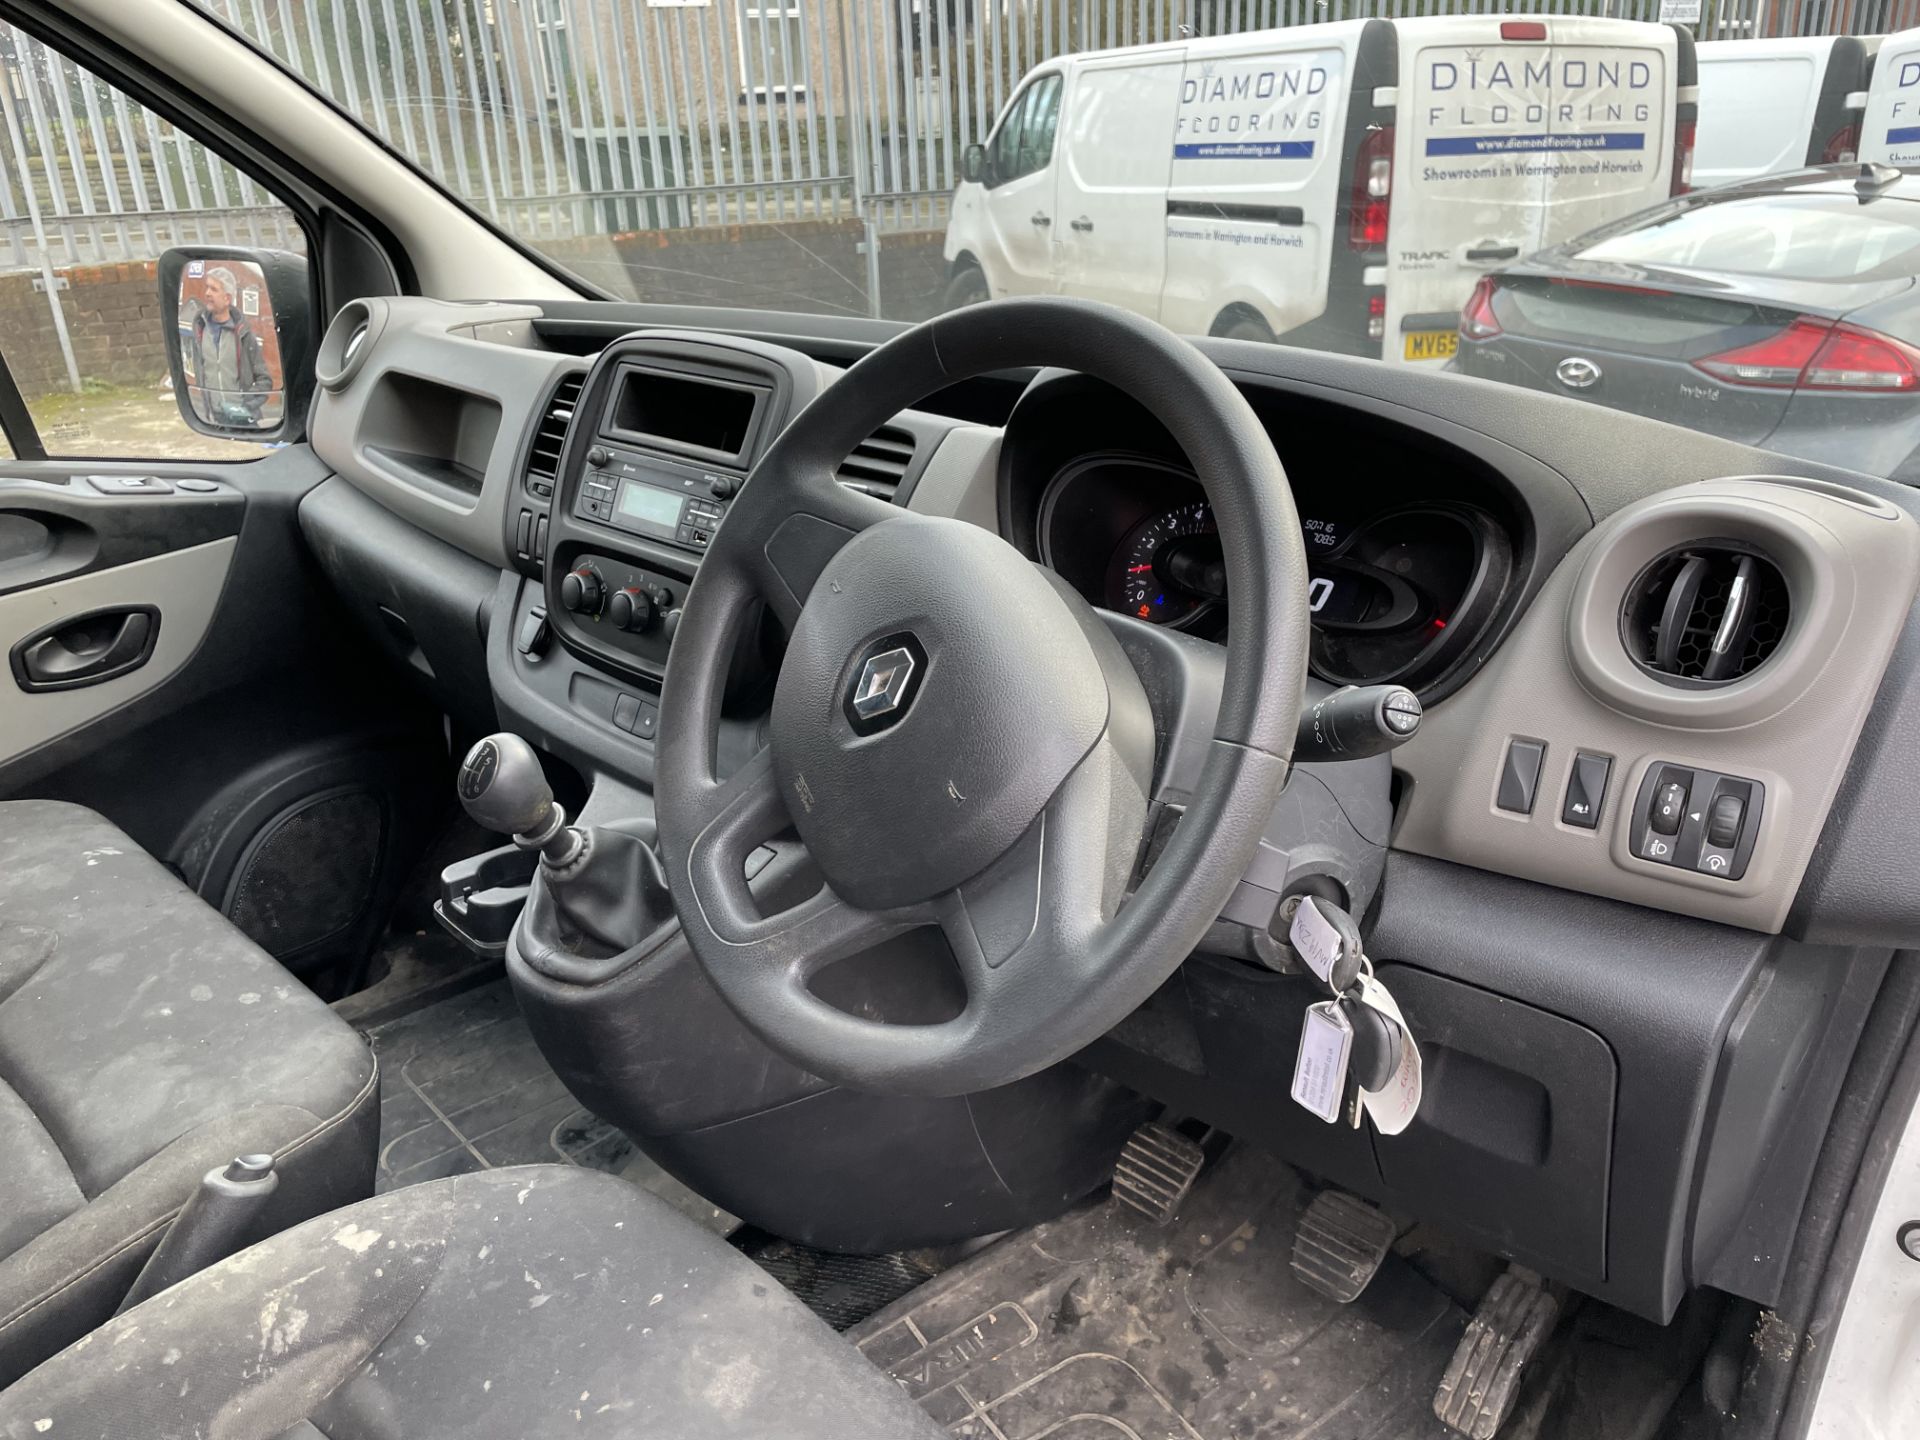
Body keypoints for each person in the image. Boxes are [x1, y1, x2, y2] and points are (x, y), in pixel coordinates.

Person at [188, 266, 273, 425]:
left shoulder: (243, 335)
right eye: (207, 287)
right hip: (213, 421)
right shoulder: (200, 331)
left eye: (213, 289)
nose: (207, 293)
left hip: (244, 422)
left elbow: (265, 381)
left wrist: (245, 405)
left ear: (227, 298)